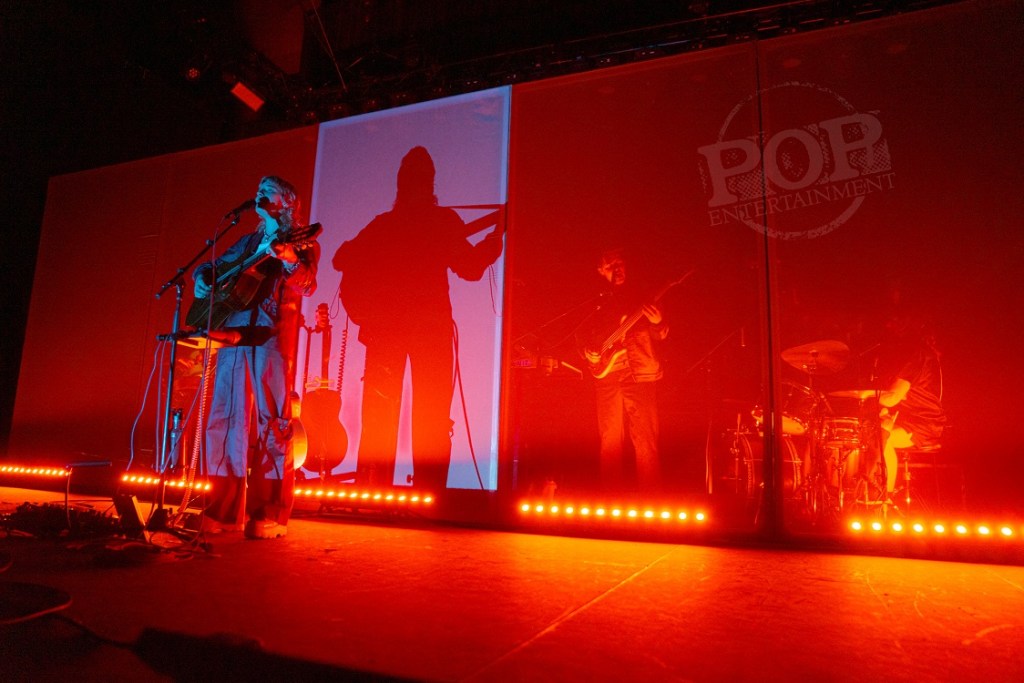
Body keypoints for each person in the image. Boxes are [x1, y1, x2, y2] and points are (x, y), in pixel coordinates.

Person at [332, 146, 503, 491]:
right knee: (432, 416)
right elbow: (471, 268)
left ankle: (371, 490)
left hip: (385, 330)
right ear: (431, 184)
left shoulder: (383, 224)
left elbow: (340, 259)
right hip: (430, 329)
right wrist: (494, 240)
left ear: (400, 185)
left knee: (379, 413)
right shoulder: (442, 221)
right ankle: (430, 494)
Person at [192, 175, 319, 539]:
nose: (259, 194)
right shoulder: (248, 241)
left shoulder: (303, 240)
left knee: (273, 423)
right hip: (232, 331)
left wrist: (290, 258)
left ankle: (270, 512)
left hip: (271, 336)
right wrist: (202, 276)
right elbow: (215, 266)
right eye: (259, 190)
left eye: (269, 191)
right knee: (224, 419)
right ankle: (223, 509)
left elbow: (307, 283)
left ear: (287, 203)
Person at [578, 248, 668, 494]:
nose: (617, 270)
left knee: (645, 439)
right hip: (606, 374)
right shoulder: (597, 301)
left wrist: (658, 322)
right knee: (609, 440)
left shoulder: (644, 295)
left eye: (620, 263)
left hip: (640, 372)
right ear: (601, 271)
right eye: (610, 267)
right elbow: (582, 336)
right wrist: (589, 352)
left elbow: (661, 336)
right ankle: (610, 498)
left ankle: (651, 499)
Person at [876, 314, 946, 506]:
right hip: (914, 419)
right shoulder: (925, 355)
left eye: (895, 325)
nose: (890, 328)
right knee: (874, 431)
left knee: (882, 439)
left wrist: (865, 396)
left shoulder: (919, 357)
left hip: (924, 423)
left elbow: (892, 398)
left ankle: (885, 495)